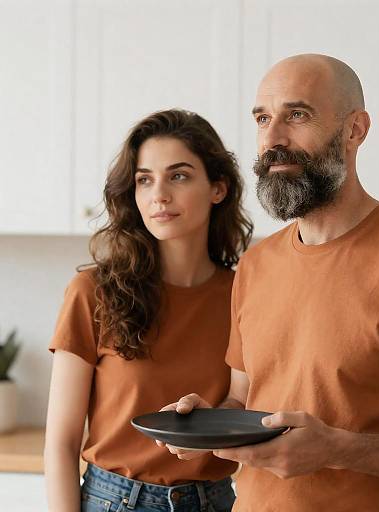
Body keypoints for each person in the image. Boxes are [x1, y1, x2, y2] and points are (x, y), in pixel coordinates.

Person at [162, 55, 379, 511]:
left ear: (355, 130)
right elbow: (244, 398)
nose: (274, 139)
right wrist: (209, 424)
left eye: (297, 115)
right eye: (263, 118)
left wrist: (336, 448)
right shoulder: (258, 264)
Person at [44, 109, 253, 512]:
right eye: (144, 179)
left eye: (178, 175)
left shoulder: (245, 295)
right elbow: (61, 442)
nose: (159, 194)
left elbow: (242, 407)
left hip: (216, 501)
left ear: (218, 189)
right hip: (114, 501)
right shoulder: (93, 293)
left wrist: (211, 424)